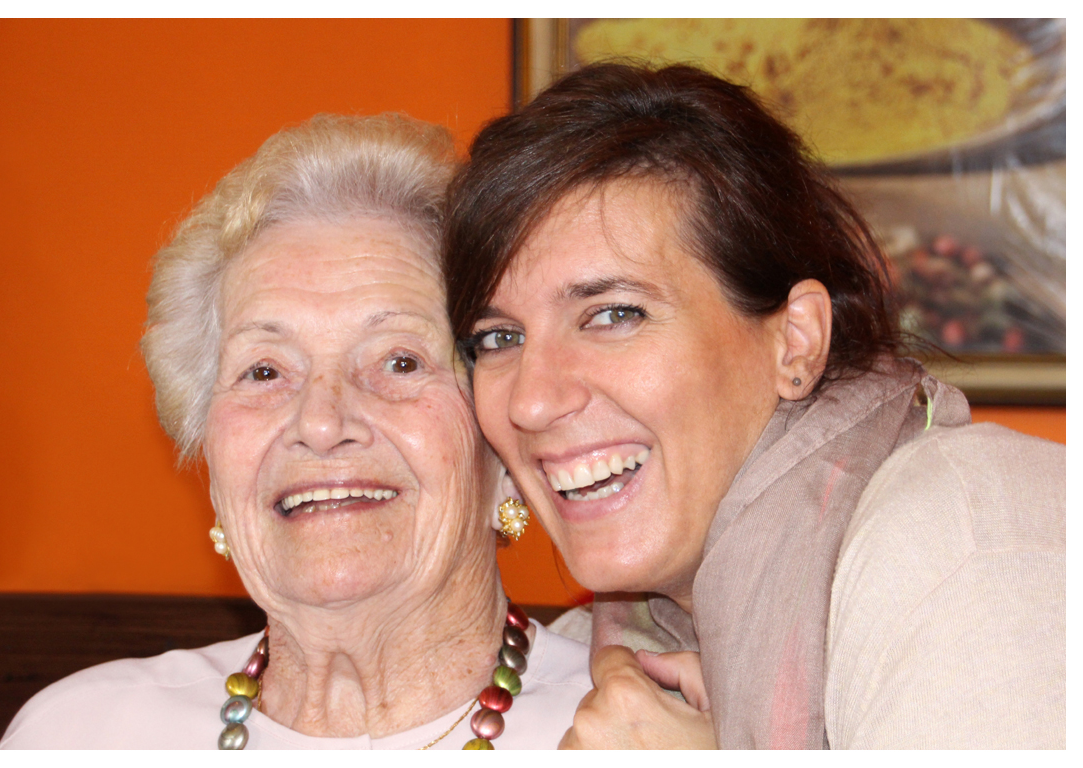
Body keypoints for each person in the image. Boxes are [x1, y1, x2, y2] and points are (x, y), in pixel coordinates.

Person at [443, 63, 1065, 749]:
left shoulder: (976, 541)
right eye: (497, 338)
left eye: (615, 314)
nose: (532, 400)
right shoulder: (594, 662)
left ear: (796, 342)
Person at [0, 114, 592, 749]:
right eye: (264, 371)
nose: (321, 423)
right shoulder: (76, 735)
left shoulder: (633, 732)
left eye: (399, 362)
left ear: (502, 455)